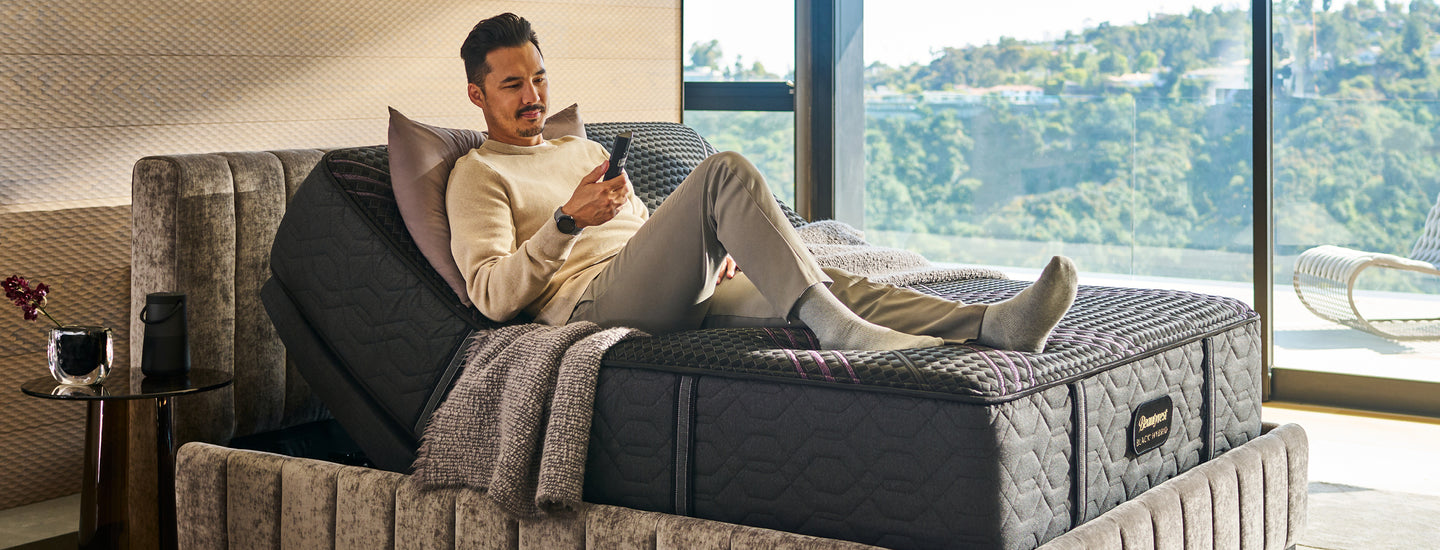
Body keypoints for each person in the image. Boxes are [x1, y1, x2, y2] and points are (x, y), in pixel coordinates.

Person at [446, 13, 1078, 352]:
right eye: (513, 85)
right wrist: (566, 221)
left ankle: (992, 325)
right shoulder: (478, 174)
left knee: (817, 280)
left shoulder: (580, 146)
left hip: (659, 289)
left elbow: (638, 229)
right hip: (589, 307)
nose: (534, 96)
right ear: (478, 94)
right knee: (724, 169)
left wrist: (715, 255)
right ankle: (837, 331)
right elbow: (491, 296)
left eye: (539, 79)